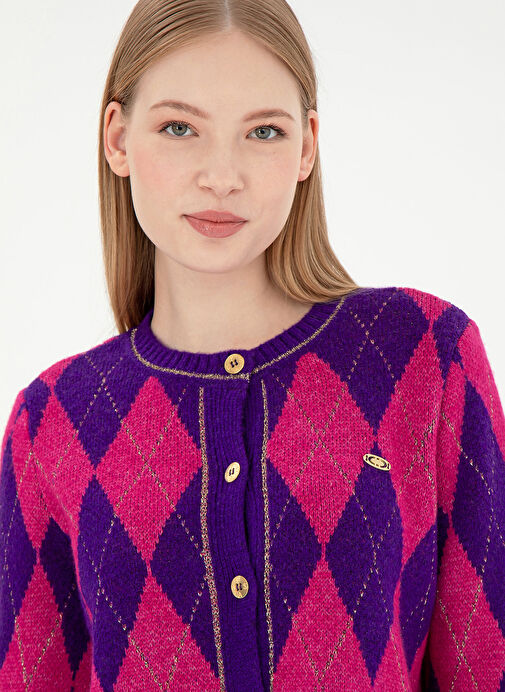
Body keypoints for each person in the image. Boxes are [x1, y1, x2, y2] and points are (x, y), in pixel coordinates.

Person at [1, 1, 504, 690]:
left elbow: (488, 658)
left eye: (263, 131)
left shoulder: (422, 356)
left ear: (306, 147)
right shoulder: (54, 420)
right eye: (179, 127)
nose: (222, 175)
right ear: (117, 139)